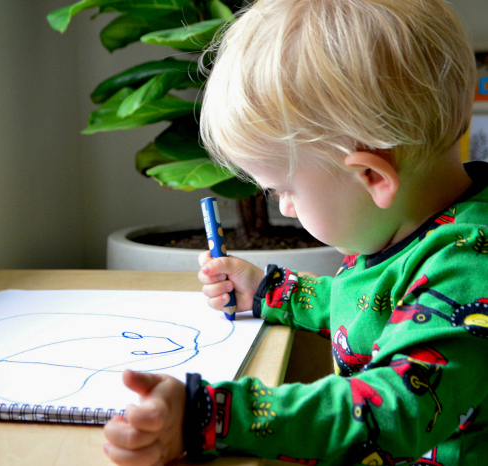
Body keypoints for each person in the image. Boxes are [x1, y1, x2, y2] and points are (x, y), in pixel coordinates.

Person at [103, 0, 488, 464]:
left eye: (285, 189)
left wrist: (213, 415)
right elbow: (372, 308)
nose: (283, 206)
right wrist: (269, 291)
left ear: (371, 178)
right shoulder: (410, 225)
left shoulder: (470, 268)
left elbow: (392, 411)